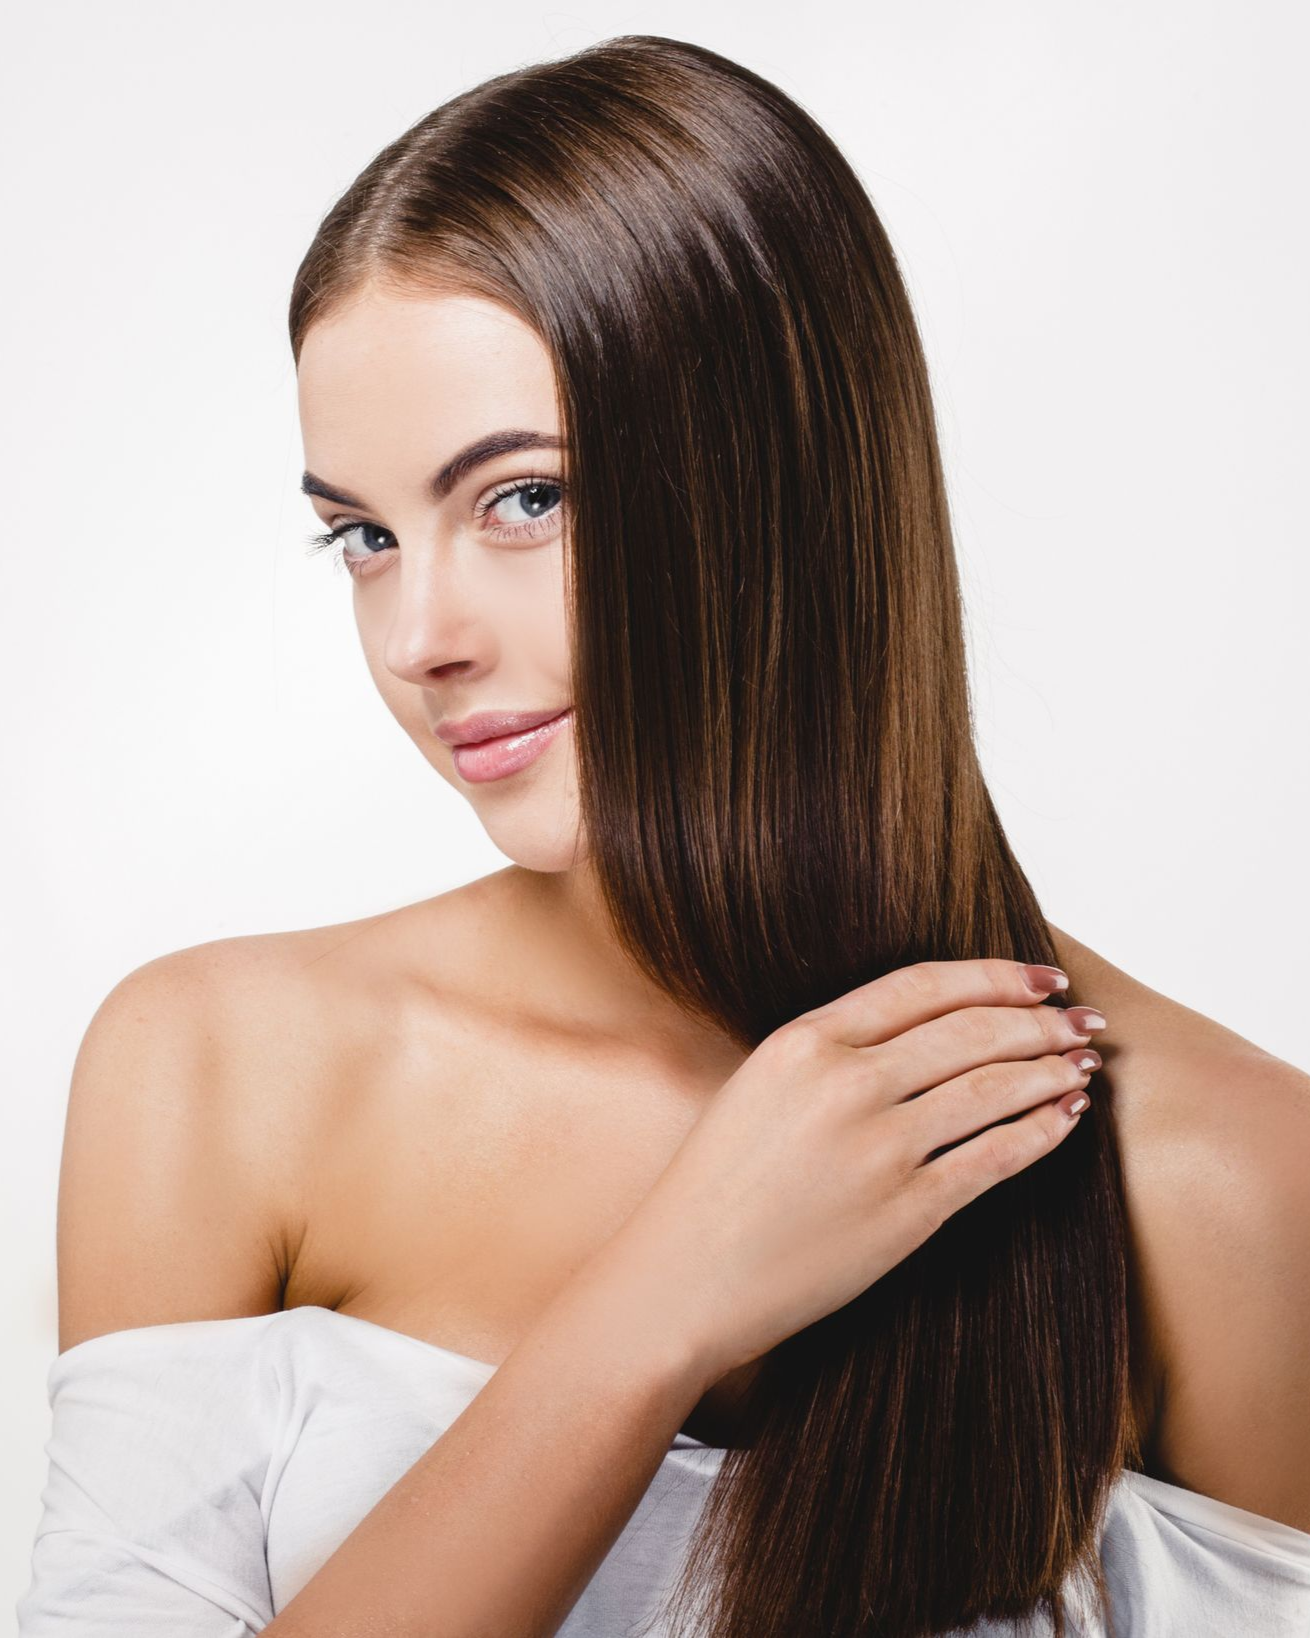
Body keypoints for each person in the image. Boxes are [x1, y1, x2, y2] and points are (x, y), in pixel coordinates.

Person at [18, 32, 1310, 1638]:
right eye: (360, 533)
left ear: (775, 483)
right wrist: (659, 1305)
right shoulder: (223, 1067)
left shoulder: (1228, 1185)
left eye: (523, 499)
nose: (417, 633)